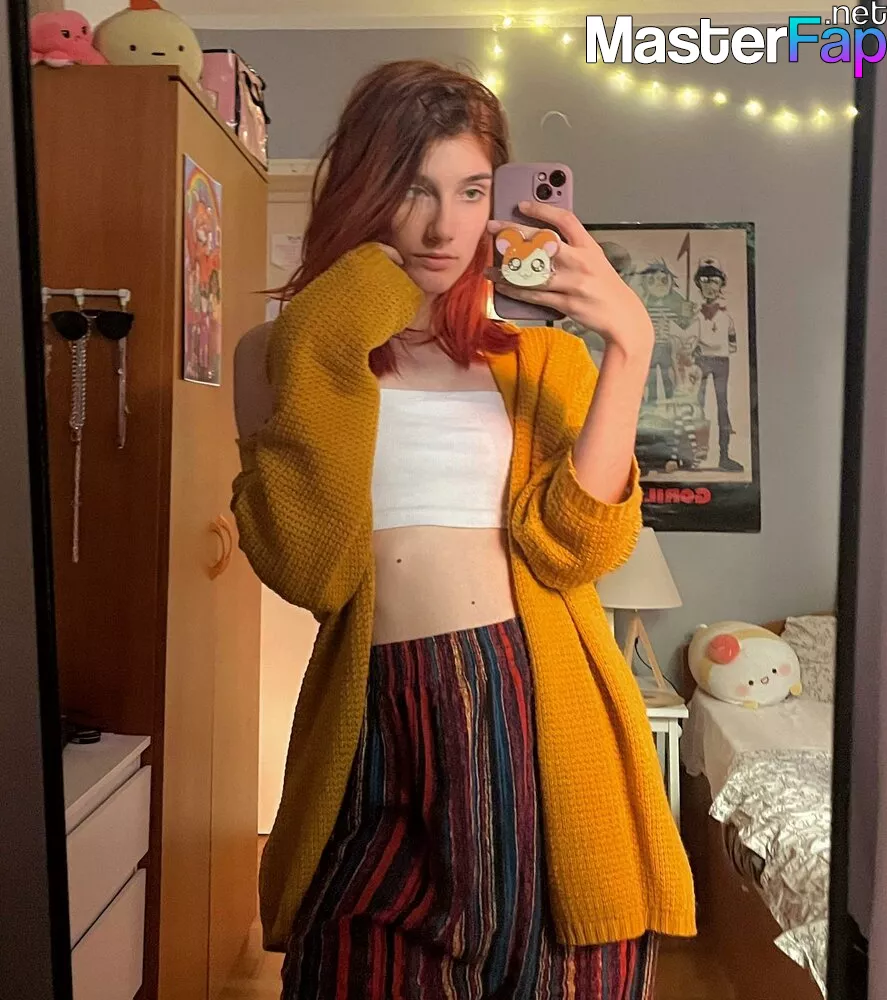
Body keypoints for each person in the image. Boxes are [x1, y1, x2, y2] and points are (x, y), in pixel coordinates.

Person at [231, 59, 695, 1000]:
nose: (445, 227)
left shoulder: (542, 359)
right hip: (373, 721)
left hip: (535, 709)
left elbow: (579, 549)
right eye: (413, 188)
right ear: (363, 188)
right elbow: (310, 569)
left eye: (472, 191)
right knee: (346, 963)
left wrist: (631, 348)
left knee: (552, 971)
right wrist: (334, 328)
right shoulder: (281, 354)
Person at [691, 256, 744, 472]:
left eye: (714, 280)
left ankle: (724, 455)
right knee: (698, 405)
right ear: (698, 283)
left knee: (722, 406)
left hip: (721, 362)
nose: (709, 286)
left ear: (721, 283)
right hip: (701, 360)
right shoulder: (695, 315)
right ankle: (694, 455)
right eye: (705, 280)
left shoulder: (726, 316)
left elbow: (732, 344)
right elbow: (688, 339)